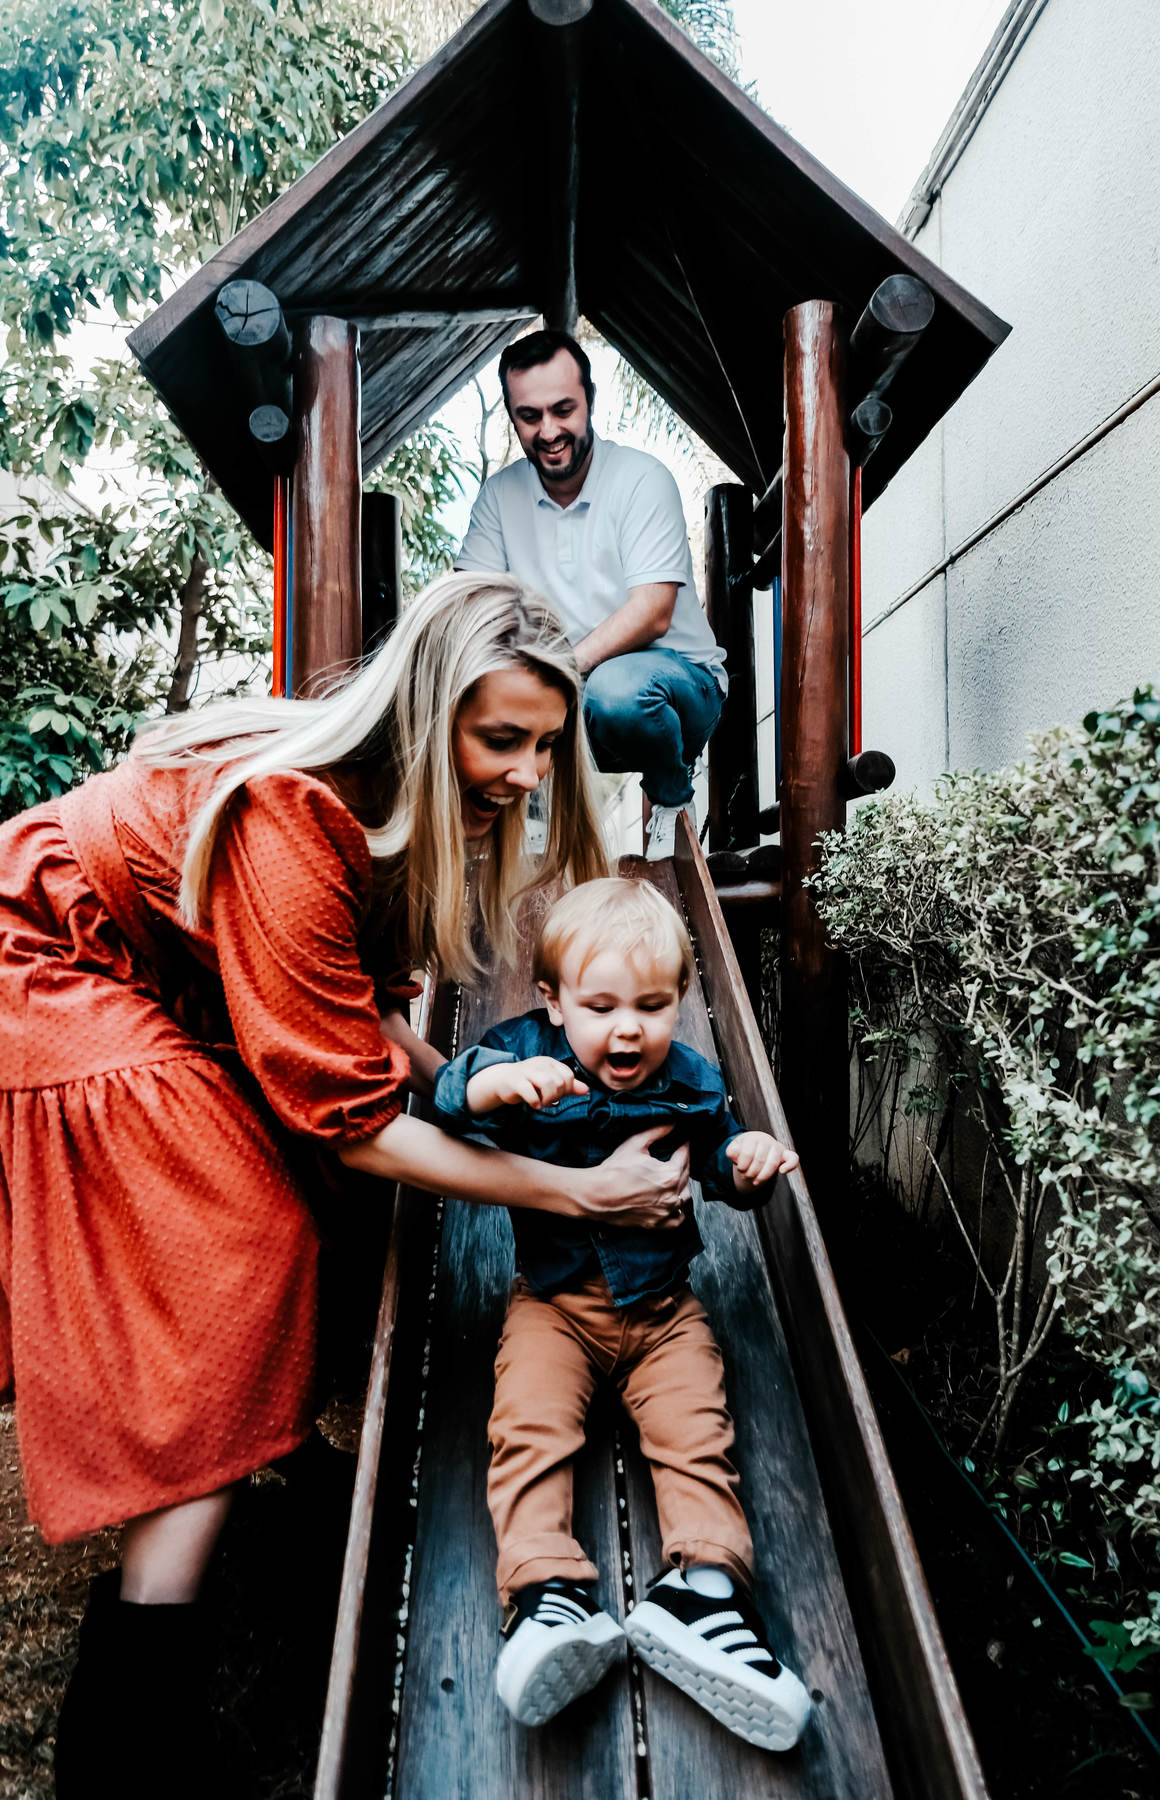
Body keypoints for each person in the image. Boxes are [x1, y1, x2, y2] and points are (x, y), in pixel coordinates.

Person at [0, 573, 694, 1797]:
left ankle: (270, 1457)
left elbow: (361, 1031)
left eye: (545, 744)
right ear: (426, 715)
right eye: (501, 740)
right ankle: (128, 1735)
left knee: (310, 1203)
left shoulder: (381, 810)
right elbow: (355, 1120)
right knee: (238, 1236)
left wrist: (473, 1089)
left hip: (137, 970)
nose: (530, 774)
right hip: (43, 963)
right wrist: (569, 1192)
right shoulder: (291, 815)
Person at [430, 876, 811, 1751]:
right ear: (555, 1004)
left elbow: (717, 1163)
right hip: (553, 1306)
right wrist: (498, 1086)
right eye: (600, 1005)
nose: (627, 1027)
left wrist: (745, 1163)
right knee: (528, 1426)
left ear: (680, 1002)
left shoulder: (691, 1080)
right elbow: (452, 1093)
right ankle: (547, 1595)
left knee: (696, 1432)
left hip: (664, 1308)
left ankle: (705, 1594)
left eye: (650, 1004)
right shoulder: (525, 1056)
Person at [456, 330, 727, 861]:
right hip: (569, 699)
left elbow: (652, 612)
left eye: (563, 410)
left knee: (615, 692)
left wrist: (553, 670)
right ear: (513, 417)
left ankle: (672, 794)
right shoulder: (499, 497)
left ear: (590, 402)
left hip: (675, 685)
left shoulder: (640, 478)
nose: (549, 430)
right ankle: (525, 827)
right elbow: (470, 609)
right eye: (530, 416)